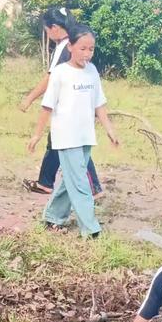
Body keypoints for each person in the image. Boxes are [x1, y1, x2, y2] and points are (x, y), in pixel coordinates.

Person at [28, 24, 118, 237]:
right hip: (66, 137)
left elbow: (99, 104)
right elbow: (47, 106)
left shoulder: (92, 71)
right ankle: (91, 229)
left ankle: (53, 216)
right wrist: (37, 135)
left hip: (86, 135)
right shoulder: (60, 73)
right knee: (80, 182)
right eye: (82, 48)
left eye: (91, 49)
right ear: (70, 46)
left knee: (72, 180)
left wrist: (110, 130)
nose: (87, 54)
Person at [21, 7, 103, 198]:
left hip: (72, 105)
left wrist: (29, 98)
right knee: (61, 141)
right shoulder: (72, 43)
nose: (47, 34)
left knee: (75, 144)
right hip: (76, 102)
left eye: (47, 30)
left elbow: (50, 78)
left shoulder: (66, 46)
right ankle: (46, 182)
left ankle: (93, 188)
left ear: (55, 28)